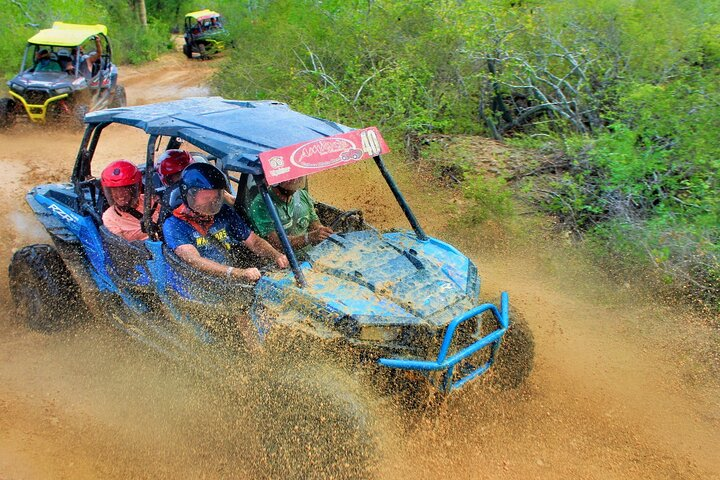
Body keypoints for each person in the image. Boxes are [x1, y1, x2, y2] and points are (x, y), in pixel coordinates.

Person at [163, 163, 289, 282]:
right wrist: (237, 273)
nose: (212, 203)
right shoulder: (174, 225)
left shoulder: (224, 212)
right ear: (189, 195)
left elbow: (254, 241)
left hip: (229, 276)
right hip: (198, 283)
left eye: (216, 197)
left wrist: (276, 255)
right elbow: (194, 261)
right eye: (206, 198)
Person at [248, 176, 333, 253]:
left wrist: (322, 230)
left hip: (310, 254)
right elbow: (278, 244)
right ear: (276, 182)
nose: (296, 180)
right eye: (291, 178)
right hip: (284, 261)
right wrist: (309, 237)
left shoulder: (302, 195)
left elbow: (314, 222)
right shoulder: (262, 205)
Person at [101, 160, 158, 241]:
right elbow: (123, 247)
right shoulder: (109, 217)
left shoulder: (150, 200)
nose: (120, 194)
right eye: (115, 190)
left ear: (132, 189)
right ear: (109, 192)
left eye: (124, 189)